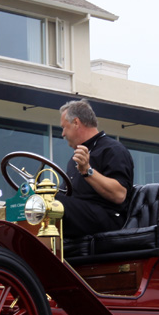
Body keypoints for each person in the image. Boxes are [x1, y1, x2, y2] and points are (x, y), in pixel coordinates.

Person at [55, 99, 134, 238]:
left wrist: (87, 171)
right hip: (82, 215)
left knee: (52, 203)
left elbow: (120, 195)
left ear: (76, 123)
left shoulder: (113, 149)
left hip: (108, 218)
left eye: (64, 127)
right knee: (43, 199)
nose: (62, 134)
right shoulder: (75, 159)